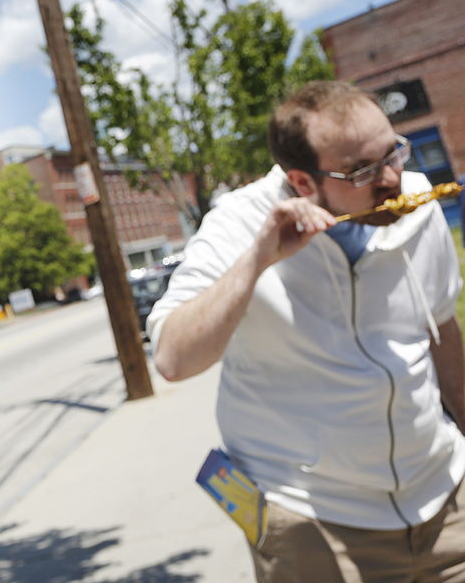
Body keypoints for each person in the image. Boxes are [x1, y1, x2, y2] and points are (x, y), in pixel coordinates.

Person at [147, 81, 465, 581]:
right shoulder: (236, 224)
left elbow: (441, 329)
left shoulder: (418, 198)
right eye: (364, 170)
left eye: (394, 153)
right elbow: (173, 358)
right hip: (315, 526)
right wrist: (258, 260)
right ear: (302, 181)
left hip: (444, 496)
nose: (392, 180)